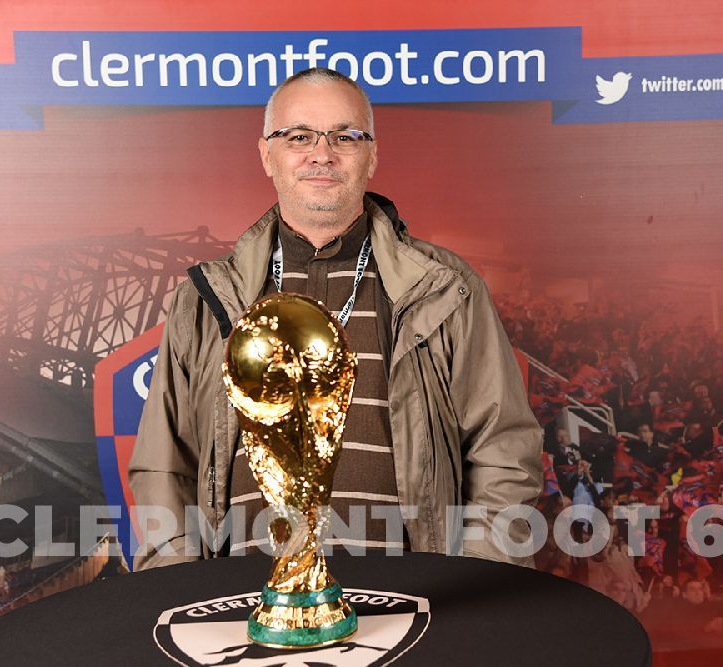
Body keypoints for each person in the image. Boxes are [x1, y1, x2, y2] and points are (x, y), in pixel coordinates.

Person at [129, 67, 542, 571]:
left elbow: (504, 449)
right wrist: (180, 599)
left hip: (414, 604)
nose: (322, 153)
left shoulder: (445, 288)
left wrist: (476, 582)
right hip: (239, 604)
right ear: (267, 155)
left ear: (372, 155)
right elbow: (162, 466)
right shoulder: (204, 298)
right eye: (299, 136)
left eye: (345, 136)